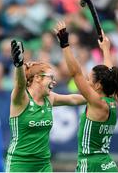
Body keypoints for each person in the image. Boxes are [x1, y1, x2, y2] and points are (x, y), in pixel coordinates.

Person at [5, 40, 87, 172]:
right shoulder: (21, 98)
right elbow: (20, 84)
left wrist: (99, 98)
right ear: (37, 78)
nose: (54, 81)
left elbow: (73, 99)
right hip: (19, 164)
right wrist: (19, 65)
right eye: (51, 77)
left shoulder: (50, 98)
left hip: (43, 164)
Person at [55, 21, 118, 172]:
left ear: (98, 85)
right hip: (108, 165)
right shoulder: (111, 99)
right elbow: (109, 73)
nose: (86, 82)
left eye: (89, 79)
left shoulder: (97, 102)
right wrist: (105, 49)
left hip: (91, 166)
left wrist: (65, 45)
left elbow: (75, 73)